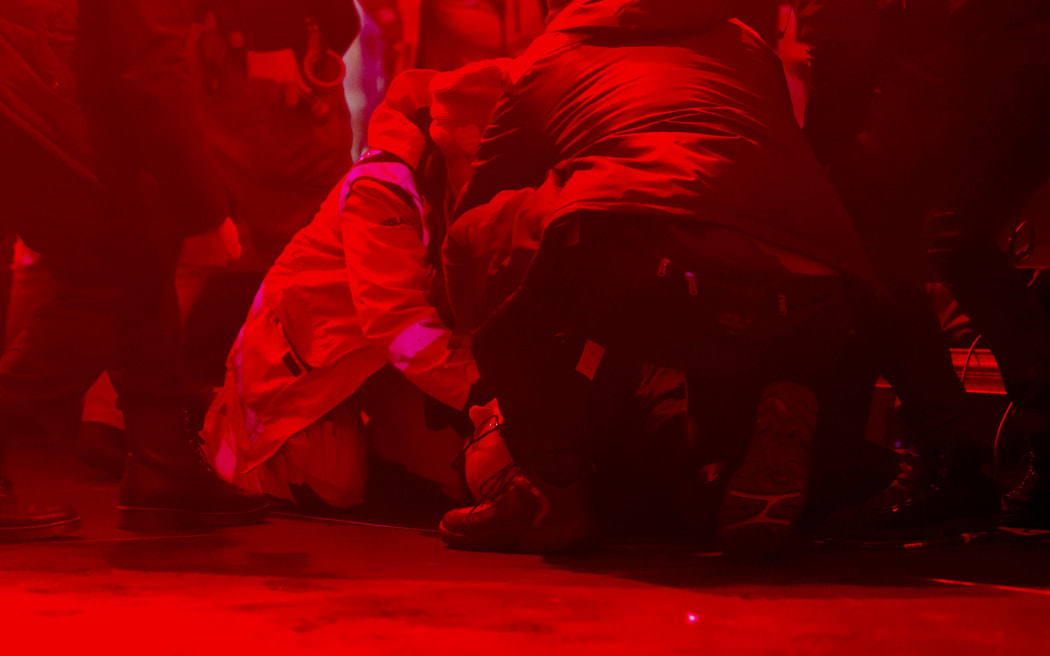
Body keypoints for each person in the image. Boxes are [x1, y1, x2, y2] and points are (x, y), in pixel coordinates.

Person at [437, 0, 883, 555]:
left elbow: (482, 199)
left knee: (480, 236)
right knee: (703, 481)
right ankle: (767, 407)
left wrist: (503, 369)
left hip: (667, 266)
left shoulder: (550, 56)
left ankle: (550, 487)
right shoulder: (744, 41)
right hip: (813, 291)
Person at [0, 0, 267, 540]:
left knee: (138, 246)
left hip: (23, 77)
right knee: (112, 276)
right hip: (24, 89)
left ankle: (161, 460)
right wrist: (206, 212)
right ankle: (159, 459)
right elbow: (148, 66)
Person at [201, 63, 511, 510]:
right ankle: (220, 433)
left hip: (361, 362)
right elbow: (397, 323)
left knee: (449, 477)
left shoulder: (438, 185)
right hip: (300, 372)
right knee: (332, 485)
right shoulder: (380, 190)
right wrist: (480, 391)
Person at [795, 0, 1050, 534]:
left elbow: (843, 46)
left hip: (989, 58)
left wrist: (815, 157)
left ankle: (949, 456)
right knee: (949, 237)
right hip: (1006, 52)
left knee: (866, 239)